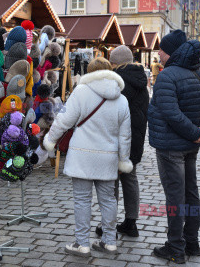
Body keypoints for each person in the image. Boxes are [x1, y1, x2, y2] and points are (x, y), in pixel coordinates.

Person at [43, 57, 133, 257]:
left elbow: (62, 120)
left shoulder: (80, 92)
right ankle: (109, 241)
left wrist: (50, 139)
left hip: (82, 155)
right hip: (108, 157)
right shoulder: (122, 98)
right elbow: (125, 135)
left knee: (82, 200)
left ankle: (82, 243)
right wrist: (123, 159)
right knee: (109, 201)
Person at [147, 30, 200, 264]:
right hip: (190, 144)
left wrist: (196, 132)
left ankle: (176, 247)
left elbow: (171, 113)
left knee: (175, 197)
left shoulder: (167, 76)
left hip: (171, 147)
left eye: (162, 49)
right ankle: (192, 242)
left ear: (172, 52)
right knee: (190, 193)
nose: (158, 52)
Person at [93, 45, 148, 238]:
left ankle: (109, 224)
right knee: (130, 178)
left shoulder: (118, 81)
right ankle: (131, 223)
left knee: (112, 181)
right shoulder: (141, 78)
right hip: (136, 137)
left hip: (117, 138)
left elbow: (111, 113)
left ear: (116, 63)